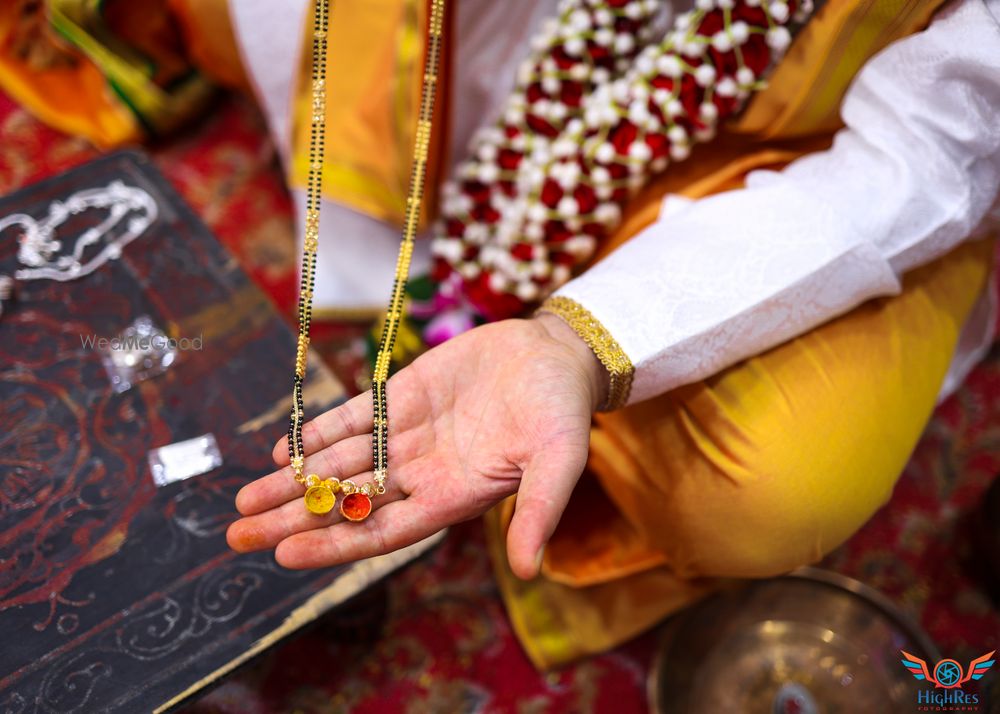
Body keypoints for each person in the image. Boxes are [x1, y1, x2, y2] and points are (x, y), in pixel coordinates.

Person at [5, 0, 997, 669]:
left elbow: (930, 149)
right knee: (223, 22)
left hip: (799, 143)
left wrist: (584, 340)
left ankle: (560, 325)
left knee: (767, 490)